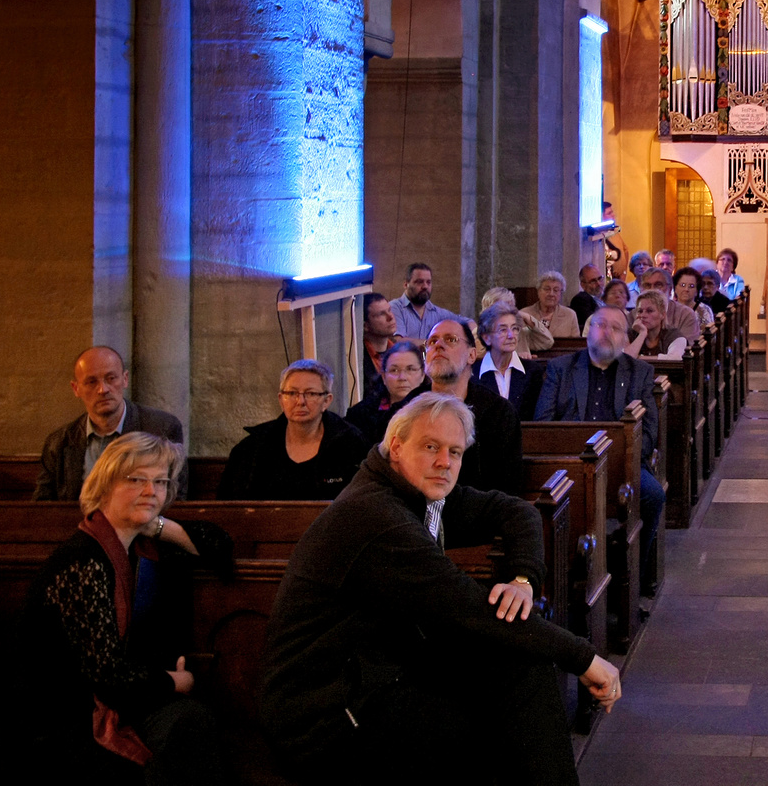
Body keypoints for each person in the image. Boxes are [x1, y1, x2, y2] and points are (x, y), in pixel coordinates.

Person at [259, 393, 621, 785]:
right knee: (485, 731)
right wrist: (584, 658)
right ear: (396, 446)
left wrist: (523, 580)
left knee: (523, 670)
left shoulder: (418, 493)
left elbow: (517, 512)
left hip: (380, 671)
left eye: (455, 451)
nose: (444, 462)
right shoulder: (375, 515)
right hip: (325, 713)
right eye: (430, 447)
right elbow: (468, 606)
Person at [23, 432, 232, 782]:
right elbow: (107, 676)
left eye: (160, 481)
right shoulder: (83, 560)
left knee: (191, 725)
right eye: (136, 480)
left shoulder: (142, 547)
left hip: (123, 699)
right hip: (66, 715)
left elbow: (219, 546)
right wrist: (175, 682)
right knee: (186, 726)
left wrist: (157, 524)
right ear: (105, 484)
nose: (152, 491)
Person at [537, 306, 665, 595]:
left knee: (653, 495)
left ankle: (632, 580)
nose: (607, 332)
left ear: (626, 338)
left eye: (616, 328)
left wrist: (627, 460)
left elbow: (649, 431)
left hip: (622, 465)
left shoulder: (639, 373)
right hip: (569, 465)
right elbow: (543, 423)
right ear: (588, 331)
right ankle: (562, 583)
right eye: (601, 325)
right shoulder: (562, 368)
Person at [37, 346, 189, 501]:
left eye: (111, 379)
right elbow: (42, 507)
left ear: (125, 379)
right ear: (76, 389)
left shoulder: (160, 429)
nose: (103, 389)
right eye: (91, 382)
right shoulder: (58, 442)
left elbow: (175, 498)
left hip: (142, 524)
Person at [217, 359, 369, 501]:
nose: (300, 402)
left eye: (310, 394)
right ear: (281, 400)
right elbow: (227, 504)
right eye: (291, 393)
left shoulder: (350, 444)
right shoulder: (253, 447)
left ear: (326, 401)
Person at [424, 319, 524, 493]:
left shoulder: (499, 413)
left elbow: (507, 487)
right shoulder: (406, 410)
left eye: (450, 339)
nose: (438, 345)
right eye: (432, 341)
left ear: (472, 355)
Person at [346, 341, 425, 445]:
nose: (402, 377)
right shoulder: (359, 415)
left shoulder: (434, 411)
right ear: (383, 376)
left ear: (422, 375)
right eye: (394, 370)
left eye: (410, 369)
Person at [390, 262, 463, 343]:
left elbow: (467, 322)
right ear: (406, 284)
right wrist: (433, 344)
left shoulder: (438, 313)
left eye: (428, 282)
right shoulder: (395, 308)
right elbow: (398, 341)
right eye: (419, 282)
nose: (425, 286)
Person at [633, 266, 701, 343]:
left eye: (658, 285)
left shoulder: (685, 314)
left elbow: (687, 350)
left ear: (670, 289)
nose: (652, 289)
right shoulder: (633, 315)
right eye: (647, 285)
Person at [627, 290, 688, 359]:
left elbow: (675, 358)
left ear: (662, 314)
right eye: (640, 311)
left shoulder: (674, 336)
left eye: (649, 311)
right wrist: (642, 334)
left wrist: (638, 358)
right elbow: (624, 359)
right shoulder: (630, 334)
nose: (643, 315)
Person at [361, 292, 400, 394]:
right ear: (366, 325)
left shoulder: (400, 350)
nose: (390, 317)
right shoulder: (358, 358)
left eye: (389, 310)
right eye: (381, 314)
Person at [523, 270, 581, 338]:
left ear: (561, 294)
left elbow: (575, 345)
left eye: (556, 290)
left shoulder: (570, 315)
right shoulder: (524, 314)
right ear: (538, 291)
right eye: (547, 289)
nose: (551, 294)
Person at [600, 200, 628, 279]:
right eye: (609, 213)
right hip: (609, 278)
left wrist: (624, 272)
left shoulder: (614, 232)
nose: (613, 215)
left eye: (612, 212)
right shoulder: (600, 236)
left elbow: (625, 250)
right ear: (601, 216)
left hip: (620, 277)